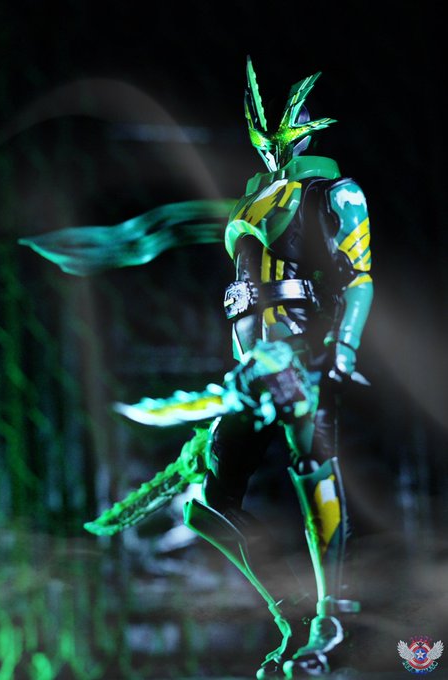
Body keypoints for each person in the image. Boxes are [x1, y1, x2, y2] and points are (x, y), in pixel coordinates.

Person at [183, 57, 374, 678]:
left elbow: (359, 280)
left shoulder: (332, 193)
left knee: (314, 471)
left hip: (299, 358)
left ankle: (333, 622)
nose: (268, 141)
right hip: (251, 370)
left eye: (280, 130)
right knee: (207, 503)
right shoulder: (253, 199)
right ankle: (294, 615)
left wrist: (341, 352)